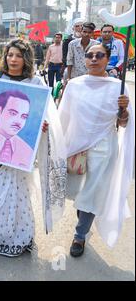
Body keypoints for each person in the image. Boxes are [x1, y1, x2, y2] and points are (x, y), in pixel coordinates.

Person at [0, 39, 67, 257]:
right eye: (10, 55)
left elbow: (42, 114)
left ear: (25, 58)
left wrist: (43, 125)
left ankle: (14, 235)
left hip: (21, 153)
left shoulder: (35, 83)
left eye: (18, 55)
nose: (13, 59)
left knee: (14, 193)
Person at [59, 43, 134, 257]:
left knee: (93, 192)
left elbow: (124, 123)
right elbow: (63, 116)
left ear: (107, 58)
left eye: (99, 55)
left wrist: (123, 111)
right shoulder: (74, 85)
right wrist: (55, 140)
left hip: (104, 146)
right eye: (89, 55)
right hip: (77, 145)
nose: (93, 59)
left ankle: (80, 235)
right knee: (80, 191)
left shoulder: (118, 86)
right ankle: (84, 216)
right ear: (84, 59)